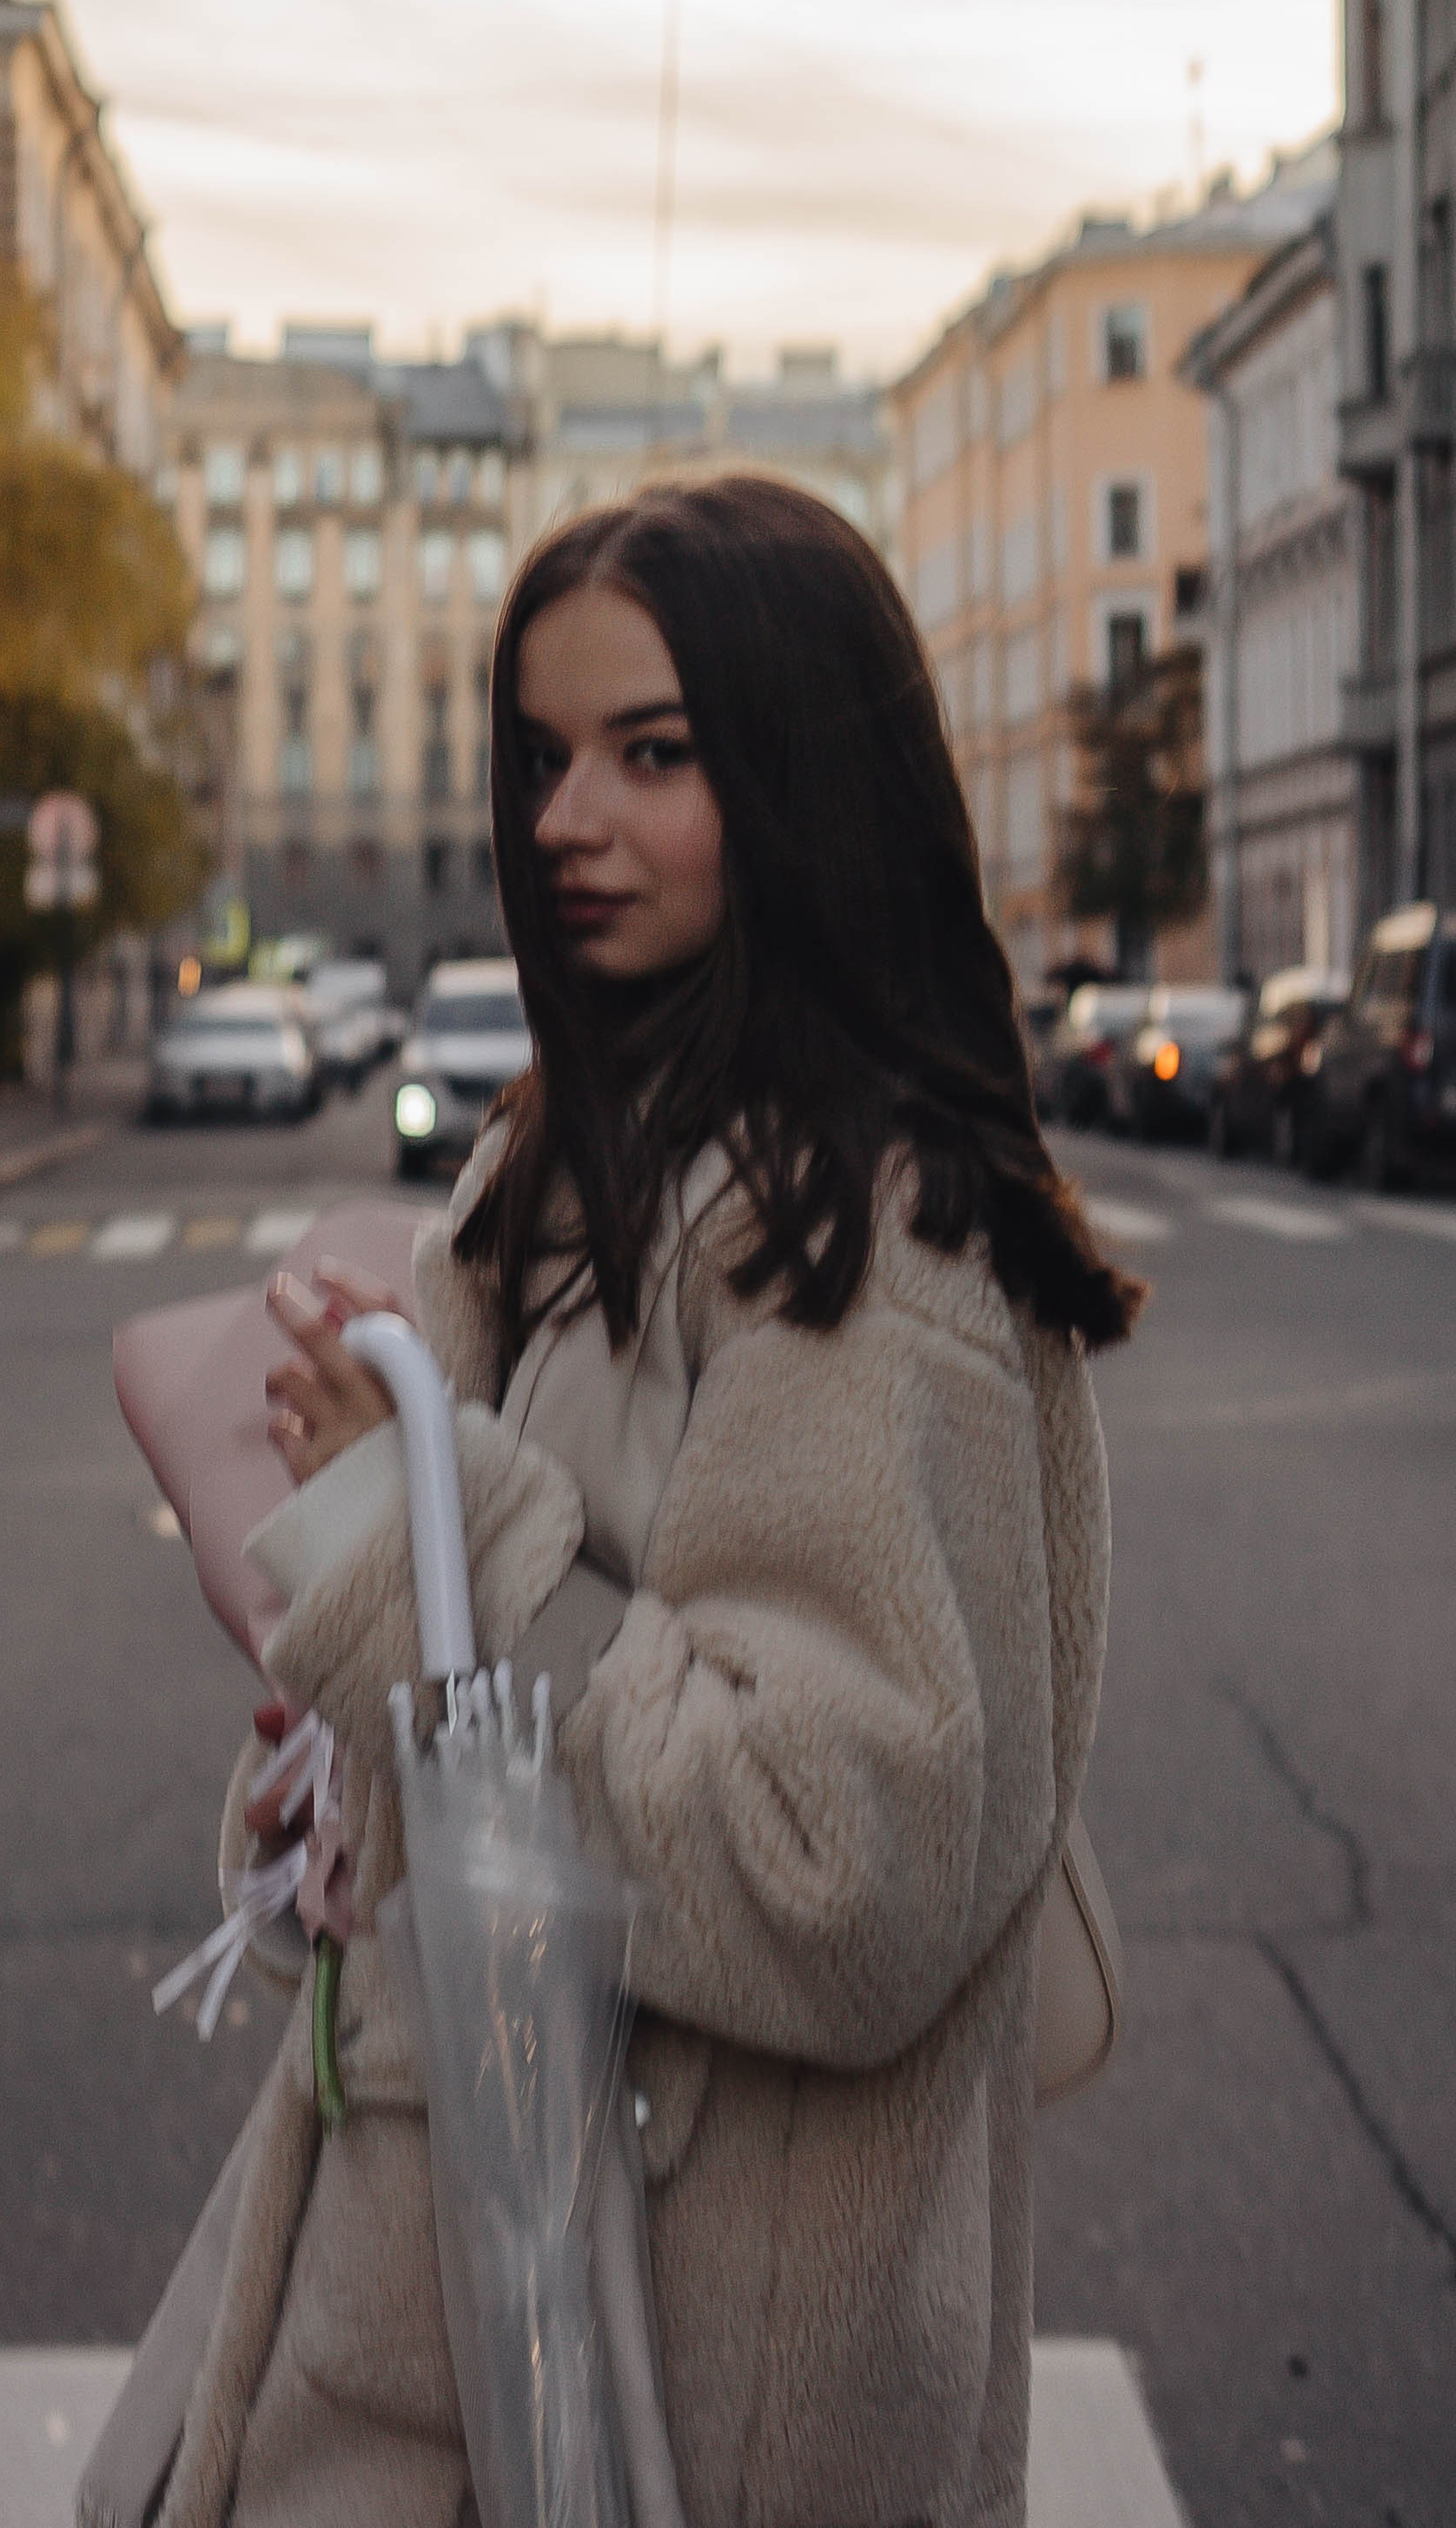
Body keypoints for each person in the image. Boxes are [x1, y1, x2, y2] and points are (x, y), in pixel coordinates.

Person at [143, 477, 1133, 2528]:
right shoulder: (574, 1167)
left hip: (690, 2385)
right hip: (478, 2299)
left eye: (650, 755)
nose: (561, 820)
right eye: (538, 758)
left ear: (796, 775)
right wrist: (343, 1775)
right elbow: (526, 1729)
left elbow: (825, 1859)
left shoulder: (868, 1243)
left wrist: (435, 1526)